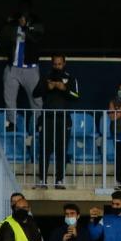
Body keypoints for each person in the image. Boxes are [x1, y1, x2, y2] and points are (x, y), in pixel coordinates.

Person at [34, 55, 79, 189]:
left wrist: (64, 89)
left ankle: (59, 180)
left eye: (59, 64)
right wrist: (47, 87)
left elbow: (76, 96)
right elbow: (35, 93)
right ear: (52, 64)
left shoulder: (70, 78)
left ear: (64, 63)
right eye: (55, 64)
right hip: (47, 118)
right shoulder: (46, 76)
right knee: (45, 150)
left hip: (63, 119)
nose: (57, 66)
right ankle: (42, 180)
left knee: (61, 150)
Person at [0, 0, 45, 116]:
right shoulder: (12, 23)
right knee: (9, 100)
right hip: (12, 67)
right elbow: (2, 37)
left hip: (30, 68)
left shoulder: (37, 23)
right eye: (21, 10)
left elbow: (36, 39)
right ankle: (12, 127)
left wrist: (25, 27)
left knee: (36, 101)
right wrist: (10, 22)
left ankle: (37, 128)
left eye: (26, 10)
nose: (23, 13)